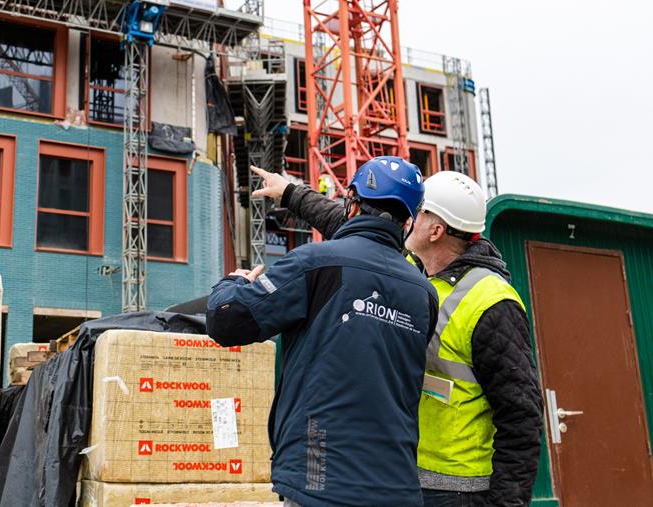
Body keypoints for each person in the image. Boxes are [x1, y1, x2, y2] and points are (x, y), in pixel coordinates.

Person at [251, 165, 544, 506]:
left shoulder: (491, 301)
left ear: (436, 230)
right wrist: (290, 193)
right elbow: (352, 229)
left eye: (416, 211)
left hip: (457, 492)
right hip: (399, 479)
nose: (404, 216)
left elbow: (522, 417)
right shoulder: (408, 267)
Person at [206, 157, 439, 507]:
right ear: (408, 222)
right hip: (398, 488)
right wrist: (291, 193)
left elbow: (226, 320)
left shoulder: (316, 263)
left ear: (352, 204)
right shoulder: (424, 293)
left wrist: (232, 284)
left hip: (320, 483)